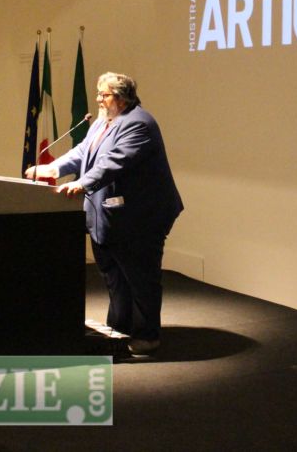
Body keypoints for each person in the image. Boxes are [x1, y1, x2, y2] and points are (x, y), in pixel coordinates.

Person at [25, 72, 183, 355]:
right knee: (114, 276)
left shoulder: (138, 123)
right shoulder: (102, 122)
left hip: (140, 218)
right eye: (98, 93)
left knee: (141, 278)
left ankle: (147, 336)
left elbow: (114, 162)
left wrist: (82, 183)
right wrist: (53, 168)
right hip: (109, 217)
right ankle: (119, 329)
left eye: (104, 94)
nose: (98, 99)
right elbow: (83, 152)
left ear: (122, 98)